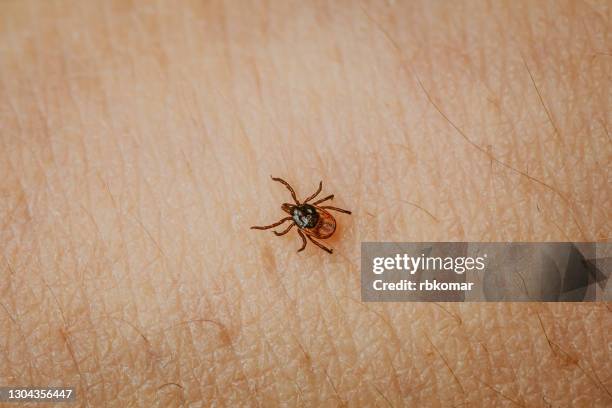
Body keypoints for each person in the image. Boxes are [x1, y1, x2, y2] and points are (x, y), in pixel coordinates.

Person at [1, 1, 609, 406]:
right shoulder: (308, 214)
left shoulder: (305, 218)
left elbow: (311, 217)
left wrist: (309, 230)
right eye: (300, 217)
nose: (304, 216)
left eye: (302, 213)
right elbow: (316, 213)